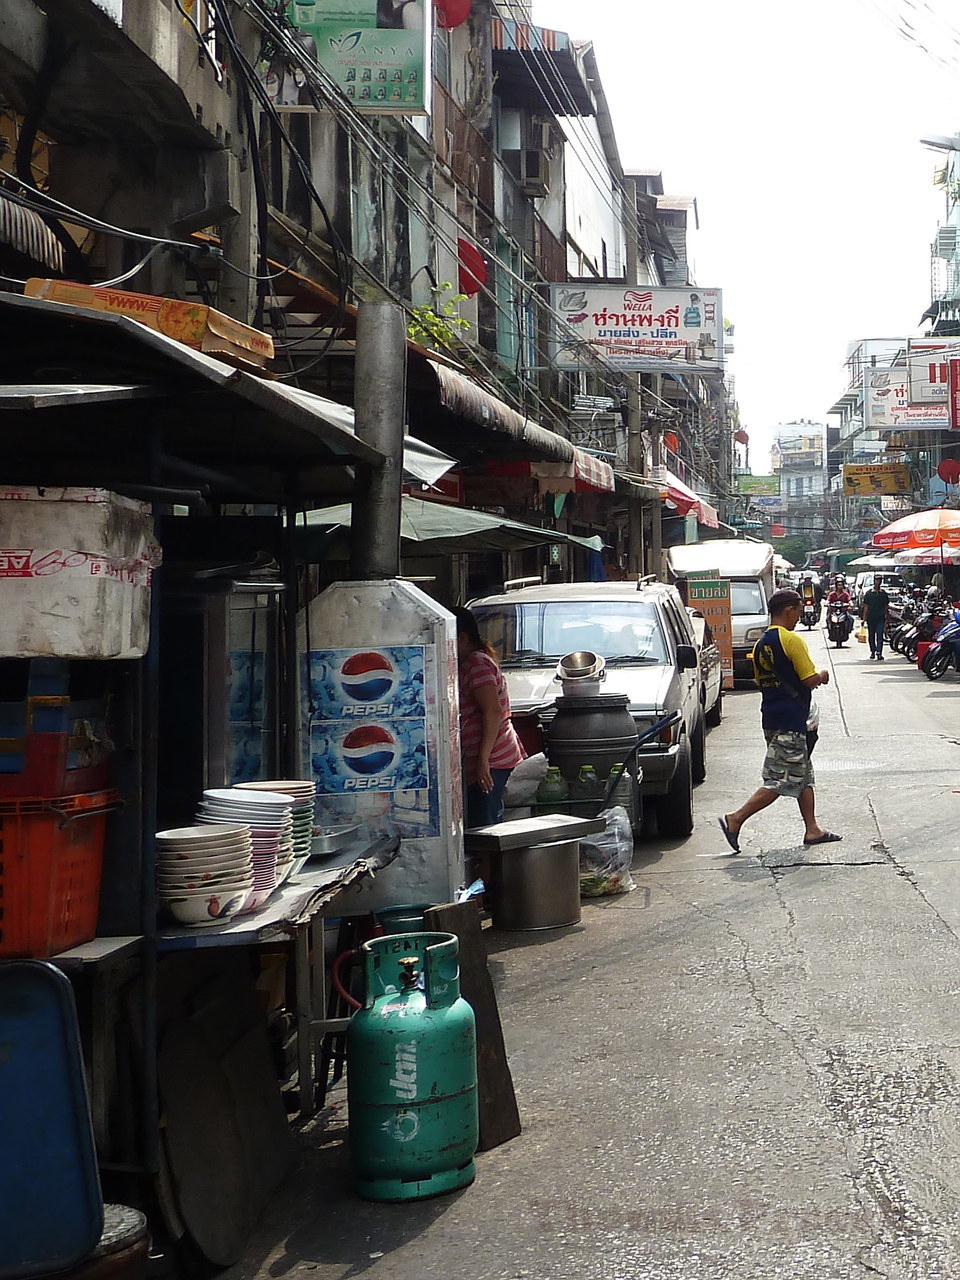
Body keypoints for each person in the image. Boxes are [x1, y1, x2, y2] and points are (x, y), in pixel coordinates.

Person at [718, 588, 840, 854]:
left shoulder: (761, 642)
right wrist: (822, 674)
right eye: (797, 611)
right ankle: (735, 819)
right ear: (788, 610)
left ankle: (812, 829)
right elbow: (808, 679)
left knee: (803, 773)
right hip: (791, 719)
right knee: (780, 779)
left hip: (771, 716)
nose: (799, 616)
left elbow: (761, 681)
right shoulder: (791, 640)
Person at [454, 606, 526, 828]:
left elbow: (492, 711)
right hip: (483, 761)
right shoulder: (470, 663)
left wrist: (483, 760)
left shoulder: (477, 664)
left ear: (461, 638)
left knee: (486, 830)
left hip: (492, 761)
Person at [861, 574, 891, 661]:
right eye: (877, 580)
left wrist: (888, 618)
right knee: (871, 636)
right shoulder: (869, 593)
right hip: (871, 618)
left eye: (880, 580)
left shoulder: (883, 594)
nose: (878, 581)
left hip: (880, 618)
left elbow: (886, 607)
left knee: (880, 635)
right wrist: (864, 619)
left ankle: (879, 652)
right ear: (874, 581)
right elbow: (866, 607)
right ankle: (873, 651)